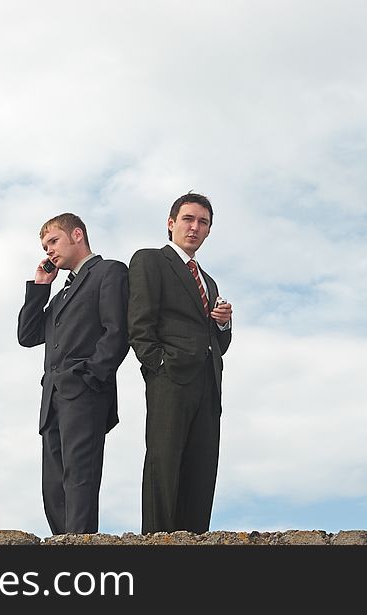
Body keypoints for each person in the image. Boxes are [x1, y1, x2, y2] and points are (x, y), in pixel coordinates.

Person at [17, 213, 129, 535]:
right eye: (45, 245)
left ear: (77, 235)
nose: (49, 251)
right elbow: (28, 335)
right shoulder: (61, 295)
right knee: (53, 487)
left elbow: (117, 332)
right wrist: (40, 287)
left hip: (84, 393)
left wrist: (91, 378)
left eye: (53, 241)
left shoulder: (109, 272)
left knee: (79, 480)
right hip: (51, 399)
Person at [128, 192, 233, 534]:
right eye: (188, 219)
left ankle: (195, 540)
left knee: (202, 468)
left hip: (207, 382)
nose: (195, 227)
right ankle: (157, 541)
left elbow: (219, 343)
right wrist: (158, 364)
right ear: (171, 224)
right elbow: (140, 323)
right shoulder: (149, 260)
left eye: (203, 222)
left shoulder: (209, 280)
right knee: (164, 462)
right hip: (170, 377)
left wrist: (222, 323)